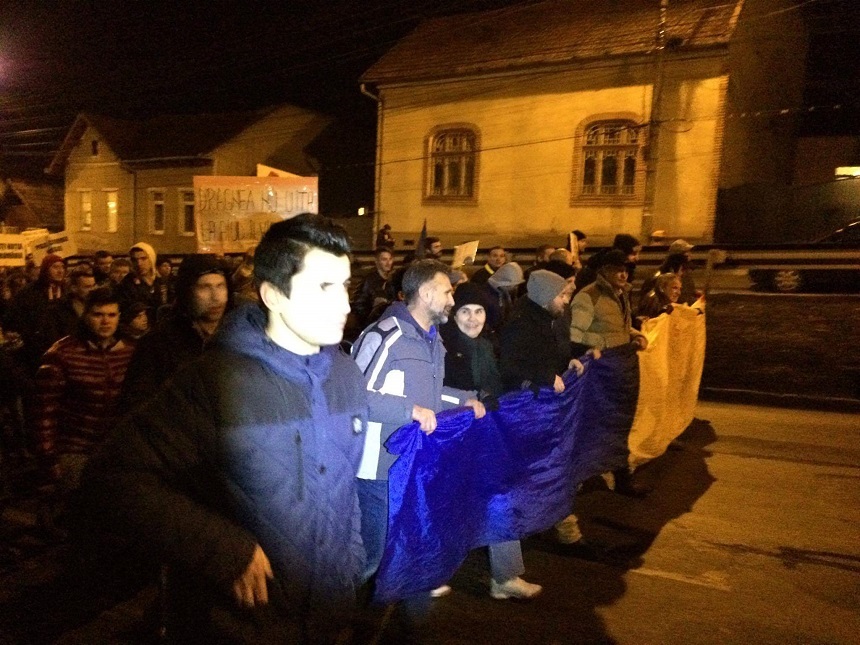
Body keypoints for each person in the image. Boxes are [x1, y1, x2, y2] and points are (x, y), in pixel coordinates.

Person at [83, 214, 369, 643]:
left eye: (345, 285)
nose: (345, 305)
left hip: (330, 620)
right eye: (324, 287)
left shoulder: (347, 372)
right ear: (273, 294)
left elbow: (346, 487)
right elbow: (112, 477)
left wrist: (351, 564)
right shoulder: (215, 380)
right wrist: (220, 548)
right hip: (240, 626)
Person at [351, 259, 486, 597]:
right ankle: (327, 616)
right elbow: (352, 395)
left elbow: (431, 395)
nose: (452, 300)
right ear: (426, 294)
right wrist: (408, 410)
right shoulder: (386, 335)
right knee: (372, 552)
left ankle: (406, 591)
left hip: (409, 462)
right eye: (447, 292)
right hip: (376, 467)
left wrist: (464, 401)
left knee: (401, 535)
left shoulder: (431, 340)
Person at [440, 283, 541, 600]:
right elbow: (429, 394)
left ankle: (505, 577)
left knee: (500, 498)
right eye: (465, 311)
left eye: (479, 311)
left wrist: (527, 383)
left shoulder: (484, 346)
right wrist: (464, 401)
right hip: (448, 441)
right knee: (444, 507)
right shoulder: (439, 345)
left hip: (480, 438)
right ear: (453, 314)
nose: (472, 318)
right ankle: (427, 573)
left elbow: (495, 387)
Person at [32, 287, 135, 494]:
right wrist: (49, 458)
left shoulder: (131, 352)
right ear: (86, 315)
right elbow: (44, 410)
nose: (105, 321)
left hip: (119, 449)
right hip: (76, 449)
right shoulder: (63, 354)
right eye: (98, 314)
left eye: (111, 315)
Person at [569, 249, 649, 498]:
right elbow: (574, 334)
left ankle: (621, 475)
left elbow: (622, 326)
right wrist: (608, 342)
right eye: (618, 269)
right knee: (599, 423)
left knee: (621, 422)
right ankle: (581, 476)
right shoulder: (588, 296)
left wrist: (634, 335)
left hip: (624, 367)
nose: (623, 274)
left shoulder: (621, 294)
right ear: (604, 271)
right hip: (602, 372)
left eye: (625, 269)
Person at [119, 254, 231, 413]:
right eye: (204, 287)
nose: (216, 297)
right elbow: (138, 406)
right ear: (188, 291)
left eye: (220, 286)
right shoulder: (158, 344)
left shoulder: (240, 338)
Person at [3, 254, 67, 375]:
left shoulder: (66, 291)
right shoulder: (29, 292)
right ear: (45, 269)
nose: (60, 271)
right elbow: (13, 317)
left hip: (62, 349)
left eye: (62, 267)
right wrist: (29, 335)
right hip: (35, 351)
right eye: (55, 267)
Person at [116, 242, 168, 326]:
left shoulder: (162, 281)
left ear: (151, 258)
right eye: (134, 260)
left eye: (143, 259)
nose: (139, 263)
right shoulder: (127, 283)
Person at [351, 247, 396, 328]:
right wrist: (372, 315)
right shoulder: (369, 280)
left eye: (390, 259)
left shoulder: (392, 279)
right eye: (384, 259)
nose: (388, 263)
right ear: (377, 261)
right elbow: (358, 305)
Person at [668, 239, 699, 304]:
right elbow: (675, 295)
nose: (690, 254)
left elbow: (687, 289)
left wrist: (695, 293)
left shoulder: (685, 269)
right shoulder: (672, 271)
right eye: (686, 252)